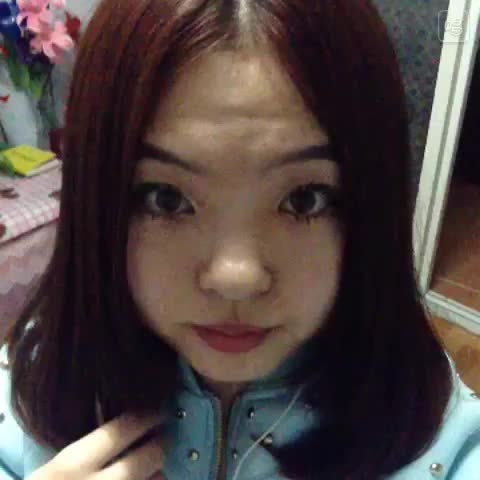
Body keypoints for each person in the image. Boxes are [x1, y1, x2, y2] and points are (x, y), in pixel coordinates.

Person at [0, 0, 479, 479]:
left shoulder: (440, 441)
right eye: (166, 199)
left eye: (305, 200)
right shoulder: (35, 386)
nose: (237, 278)